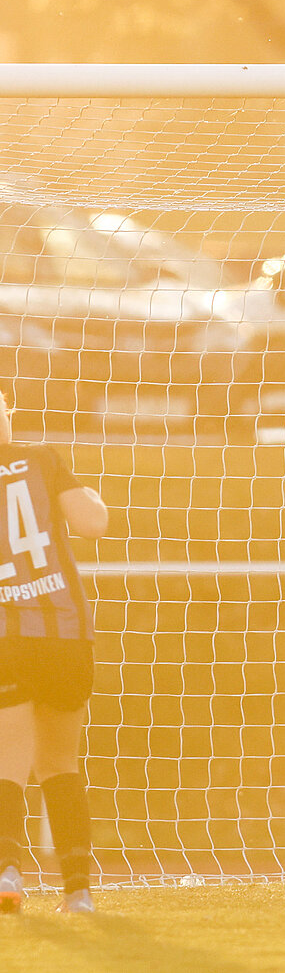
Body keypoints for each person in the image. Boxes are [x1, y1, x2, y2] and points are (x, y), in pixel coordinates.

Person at [0, 389, 110, 913]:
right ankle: (77, 892)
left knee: (8, 761)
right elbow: (93, 523)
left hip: (5, 637)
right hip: (64, 634)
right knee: (61, 762)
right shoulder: (41, 457)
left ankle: (6, 875)